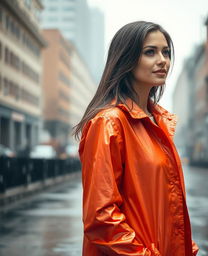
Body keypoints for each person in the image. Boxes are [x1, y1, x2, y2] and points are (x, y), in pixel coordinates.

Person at [73, 21, 199, 256]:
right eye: (150, 52)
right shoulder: (109, 122)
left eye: (166, 52)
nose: (163, 60)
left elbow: (166, 206)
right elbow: (101, 217)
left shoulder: (158, 122)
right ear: (127, 59)